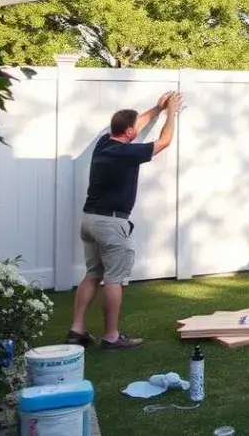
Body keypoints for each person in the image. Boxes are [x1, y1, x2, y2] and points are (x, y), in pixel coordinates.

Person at [65, 91, 183, 350]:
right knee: (114, 279)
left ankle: (77, 329)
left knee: (92, 274)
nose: (137, 131)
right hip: (111, 223)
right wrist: (172, 112)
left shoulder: (103, 144)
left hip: (89, 220)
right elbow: (163, 142)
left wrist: (157, 107)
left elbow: (137, 123)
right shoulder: (126, 153)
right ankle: (111, 336)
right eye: (134, 130)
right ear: (128, 133)